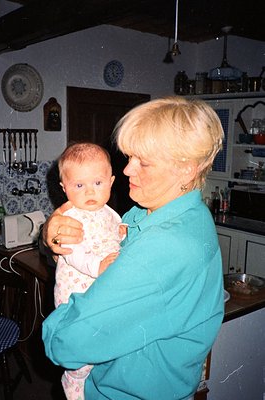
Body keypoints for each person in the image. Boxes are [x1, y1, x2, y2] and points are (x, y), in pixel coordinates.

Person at [42, 96, 225, 400]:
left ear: (186, 169)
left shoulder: (164, 247)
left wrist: (65, 316)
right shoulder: (161, 213)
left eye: (144, 161)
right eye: (129, 157)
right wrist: (53, 226)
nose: (127, 170)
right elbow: (91, 236)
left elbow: (65, 343)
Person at [54, 142, 125, 399]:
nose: (90, 192)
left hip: (101, 295)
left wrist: (123, 234)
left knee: (102, 351)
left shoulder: (111, 214)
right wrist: (97, 266)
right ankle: (73, 391)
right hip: (75, 296)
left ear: (111, 181)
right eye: (79, 185)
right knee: (79, 358)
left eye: (97, 183)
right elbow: (71, 252)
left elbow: (116, 237)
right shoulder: (68, 217)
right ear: (64, 188)